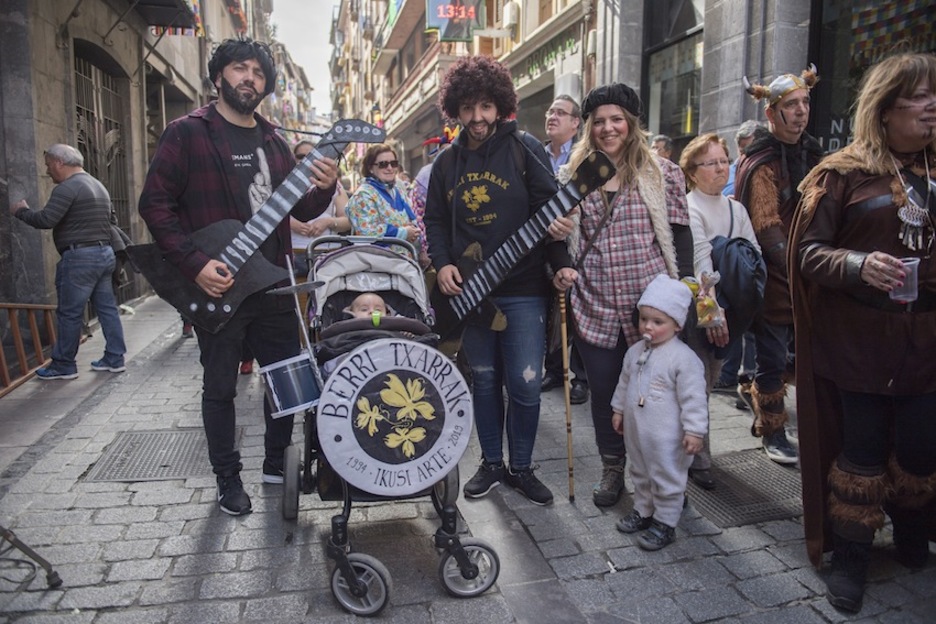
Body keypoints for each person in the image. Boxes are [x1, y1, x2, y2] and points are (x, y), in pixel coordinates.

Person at [137, 38, 338, 516]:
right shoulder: (186, 133)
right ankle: (228, 480)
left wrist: (325, 189)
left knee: (287, 383)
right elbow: (155, 205)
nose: (249, 77)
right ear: (219, 76)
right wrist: (195, 265)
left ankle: (276, 463)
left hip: (273, 284)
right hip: (220, 286)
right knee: (220, 387)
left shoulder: (274, 141)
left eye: (258, 72)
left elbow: (300, 208)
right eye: (239, 68)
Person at [789, 52, 936, 613]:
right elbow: (807, 253)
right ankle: (850, 555)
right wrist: (856, 265)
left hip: (925, 343)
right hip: (858, 346)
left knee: (922, 445)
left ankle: (911, 527)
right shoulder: (841, 173)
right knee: (863, 450)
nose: (931, 108)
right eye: (920, 97)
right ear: (885, 107)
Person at [424, 55, 573, 506]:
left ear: (500, 106)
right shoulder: (446, 163)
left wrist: (562, 258)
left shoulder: (525, 147)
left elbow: (552, 210)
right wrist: (443, 262)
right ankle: (491, 463)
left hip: (524, 288)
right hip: (469, 292)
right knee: (484, 381)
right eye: (468, 108)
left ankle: (522, 467)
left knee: (526, 382)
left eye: (485, 106)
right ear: (456, 110)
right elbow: (433, 221)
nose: (477, 118)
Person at [553, 83, 694, 507]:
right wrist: (559, 253)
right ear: (589, 128)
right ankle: (613, 468)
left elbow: (680, 233)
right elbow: (558, 238)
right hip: (594, 301)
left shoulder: (662, 172)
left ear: (631, 125)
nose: (608, 129)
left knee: (656, 397)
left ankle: (663, 477)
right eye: (600, 122)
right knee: (603, 392)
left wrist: (684, 286)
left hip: (648, 305)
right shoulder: (570, 176)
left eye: (617, 120)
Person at [734, 65, 824, 465]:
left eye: (805, 102)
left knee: (803, 356)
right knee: (771, 359)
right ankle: (772, 431)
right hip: (777, 276)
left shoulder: (816, 153)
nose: (801, 111)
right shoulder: (761, 161)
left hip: (811, 272)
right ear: (772, 113)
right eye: (791, 105)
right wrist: (800, 264)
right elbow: (767, 226)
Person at [679, 132, 760, 490]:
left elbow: (753, 254)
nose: (719, 168)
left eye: (723, 161)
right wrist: (713, 314)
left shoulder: (736, 208)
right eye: (710, 163)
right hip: (702, 310)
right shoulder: (689, 206)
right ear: (693, 171)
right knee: (697, 384)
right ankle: (699, 460)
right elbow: (699, 262)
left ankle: (691, 449)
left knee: (708, 383)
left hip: (735, 308)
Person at [10, 144, 127, 380]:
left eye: (48, 165)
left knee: (69, 313)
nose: (47, 171)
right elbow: (112, 220)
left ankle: (63, 364)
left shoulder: (67, 188)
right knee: (107, 310)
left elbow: (46, 219)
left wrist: (21, 211)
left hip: (79, 259)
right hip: (104, 254)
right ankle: (115, 358)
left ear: (59, 163)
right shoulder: (97, 185)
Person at [611, 275, 707, 550]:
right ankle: (644, 511)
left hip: (667, 438)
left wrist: (694, 430)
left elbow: (694, 398)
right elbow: (624, 383)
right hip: (637, 432)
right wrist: (618, 410)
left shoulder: (684, 358)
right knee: (639, 471)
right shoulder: (634, 352)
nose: (648, 326)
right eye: (644, 319)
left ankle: (666, 521)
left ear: (677, 325)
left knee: (667, 476)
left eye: (658, 322)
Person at [540, 94, 589, 405]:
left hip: (579, 244)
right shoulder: (537, 156)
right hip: (546, 244)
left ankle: (580, 378)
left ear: (575, 123)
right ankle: (556, 369)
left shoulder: (583, 159)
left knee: (578, 311)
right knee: (553, 310)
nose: (552, 116)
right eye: (550, 110)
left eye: (560, 112)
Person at [346, 143, 421, 258]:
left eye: (393, 163)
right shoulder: (363, 195)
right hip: (377, 266)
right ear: (371, 168)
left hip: (405, 264)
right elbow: (367, 233)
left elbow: (412, 220)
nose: (390, 168)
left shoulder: (398, 191)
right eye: (383, 164)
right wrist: (403, 233)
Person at [290, 140, 350, 276]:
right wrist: (291, 224)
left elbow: (348, 220)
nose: (306, 161)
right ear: (293, 158)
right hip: (293, 254)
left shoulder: (334, 185)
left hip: (326, 254)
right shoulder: (284, 183)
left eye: (311, 157)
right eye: (301, 157)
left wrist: (328, 222)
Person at [722, 120, 762, 198]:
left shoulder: (771, 171)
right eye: (742, 151)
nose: (745, 156)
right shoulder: (725, 173)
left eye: (751, 150)